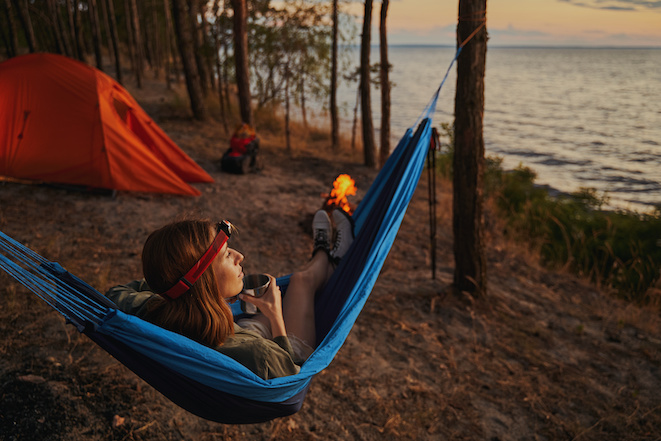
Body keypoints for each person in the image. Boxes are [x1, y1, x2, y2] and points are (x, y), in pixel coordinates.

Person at [105, 209, 354, 380]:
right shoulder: (261, 356)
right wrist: (276, 316)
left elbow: (116, 293)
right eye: (226, 255)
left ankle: (325, 255)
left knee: (284, 291)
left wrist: (178, 284)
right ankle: (327, 256)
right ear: (202, 280)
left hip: (237, 329)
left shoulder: (151, 310)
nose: (239, 256)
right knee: (300, 282)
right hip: (288, 353)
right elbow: (290, 374)